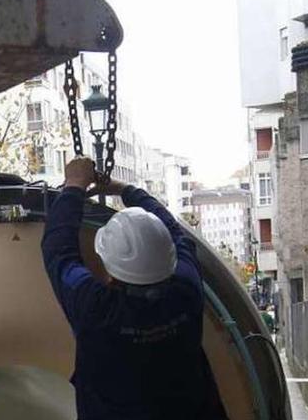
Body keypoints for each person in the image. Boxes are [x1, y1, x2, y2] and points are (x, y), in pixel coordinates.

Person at [42, 157, 227, 419]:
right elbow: (174, 231)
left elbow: (58, 250)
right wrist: (125, 190)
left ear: (108, 266)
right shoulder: (186, 290)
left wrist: (75, 184)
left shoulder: (96, 309)